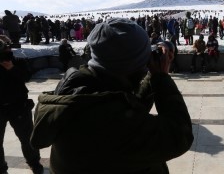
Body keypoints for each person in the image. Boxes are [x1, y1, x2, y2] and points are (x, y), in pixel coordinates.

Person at [30, 18, 193, 173]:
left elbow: (128, 107)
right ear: (130, 68)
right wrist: (161, 77)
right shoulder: (110, 121)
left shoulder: (80, 91)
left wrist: (150, 75)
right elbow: (179, 135)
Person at [0, 37, 44, 174]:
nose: (7, 51)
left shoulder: (18, 62)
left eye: (7, 48)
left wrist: (12, 69)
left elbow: (27, 77)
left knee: (27, 138)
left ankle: (34, 162)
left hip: (18, 106)